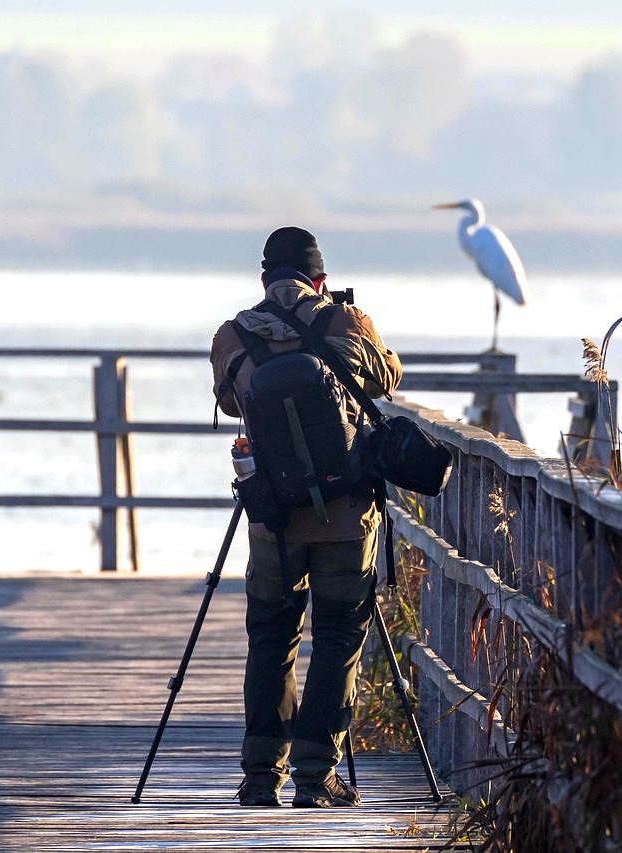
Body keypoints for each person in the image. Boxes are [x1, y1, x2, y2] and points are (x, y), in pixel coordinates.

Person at [209, 227, 402, 809]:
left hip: (272, 516)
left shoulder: (234, 335)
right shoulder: (348, 324)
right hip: (347, 513)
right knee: (340, 633)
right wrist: (346, 318)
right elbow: (389, 377)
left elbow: (229, 402)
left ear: (264, 280)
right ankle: (317, 776)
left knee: (271, 635)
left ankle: (261, 776)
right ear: (319, 280)